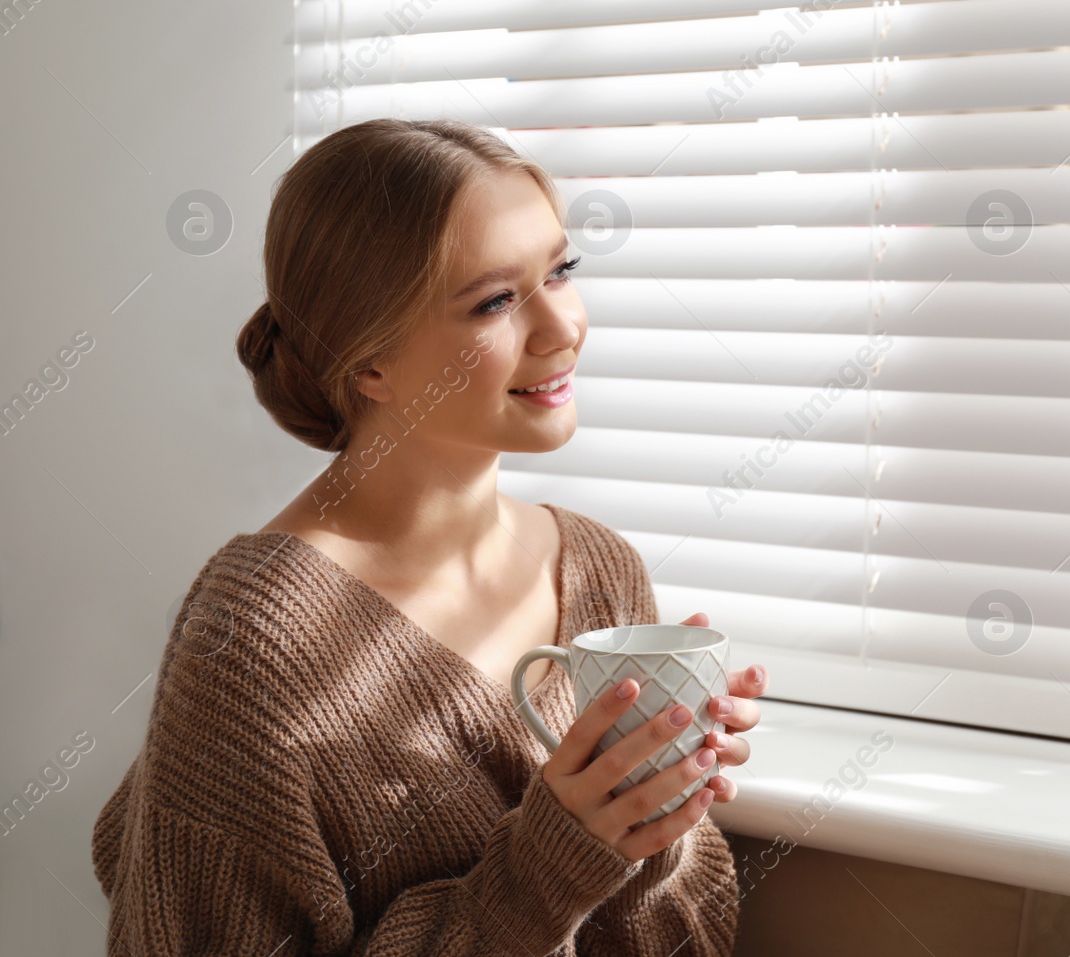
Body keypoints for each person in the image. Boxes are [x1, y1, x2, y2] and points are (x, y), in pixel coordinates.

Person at [90, 118, 765, 954]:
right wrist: (544, 871)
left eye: (561, 269)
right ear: (367, 362)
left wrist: (661, 806)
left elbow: (665, 937)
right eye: (495, 300)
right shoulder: (253, 643)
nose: (563, 327)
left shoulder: (600, 572)